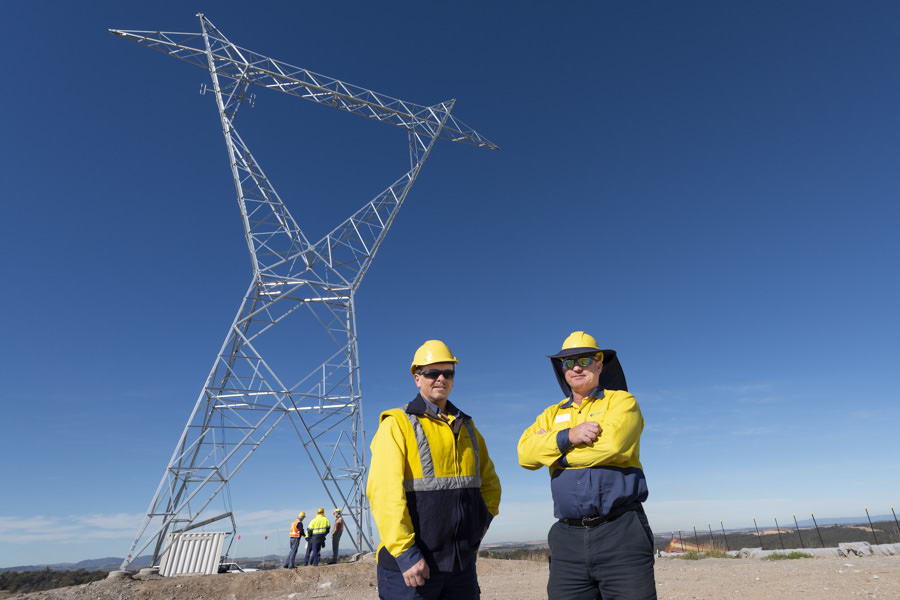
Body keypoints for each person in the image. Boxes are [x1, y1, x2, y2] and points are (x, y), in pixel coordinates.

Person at [517, 331, 657, 600]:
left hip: (621, 531)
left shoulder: (622, 402)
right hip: (567, 539)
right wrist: (568, 436)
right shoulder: (550, 414)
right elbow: (524, 455)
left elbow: (612, 446)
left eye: (583, 359)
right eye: (568, 363)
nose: (576, 367)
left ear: (599, 363)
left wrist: (557, 456)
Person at [367, 339, 501, 599]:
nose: (441, 378)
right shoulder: (397, 425)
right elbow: (384, 493)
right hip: (413, 568)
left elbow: (490, 485)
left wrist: (480, 527)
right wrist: (406, 554)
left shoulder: (467, 428)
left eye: (448, 373)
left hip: (460, 567)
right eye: (432, 373)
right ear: (417, 378)